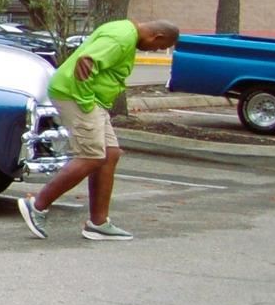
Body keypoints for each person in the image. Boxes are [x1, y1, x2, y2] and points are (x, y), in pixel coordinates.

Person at [18, 17, 180, 240]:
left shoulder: (124, 29)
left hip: (91, 99)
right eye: (159, 46)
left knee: (110, 154)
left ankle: (98, 224)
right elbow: (86, 61)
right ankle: (37, 205)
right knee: (91, 157)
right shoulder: (121, 38)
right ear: (157, 37)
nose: (155, 49)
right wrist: (85, 102)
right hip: (78, 97)